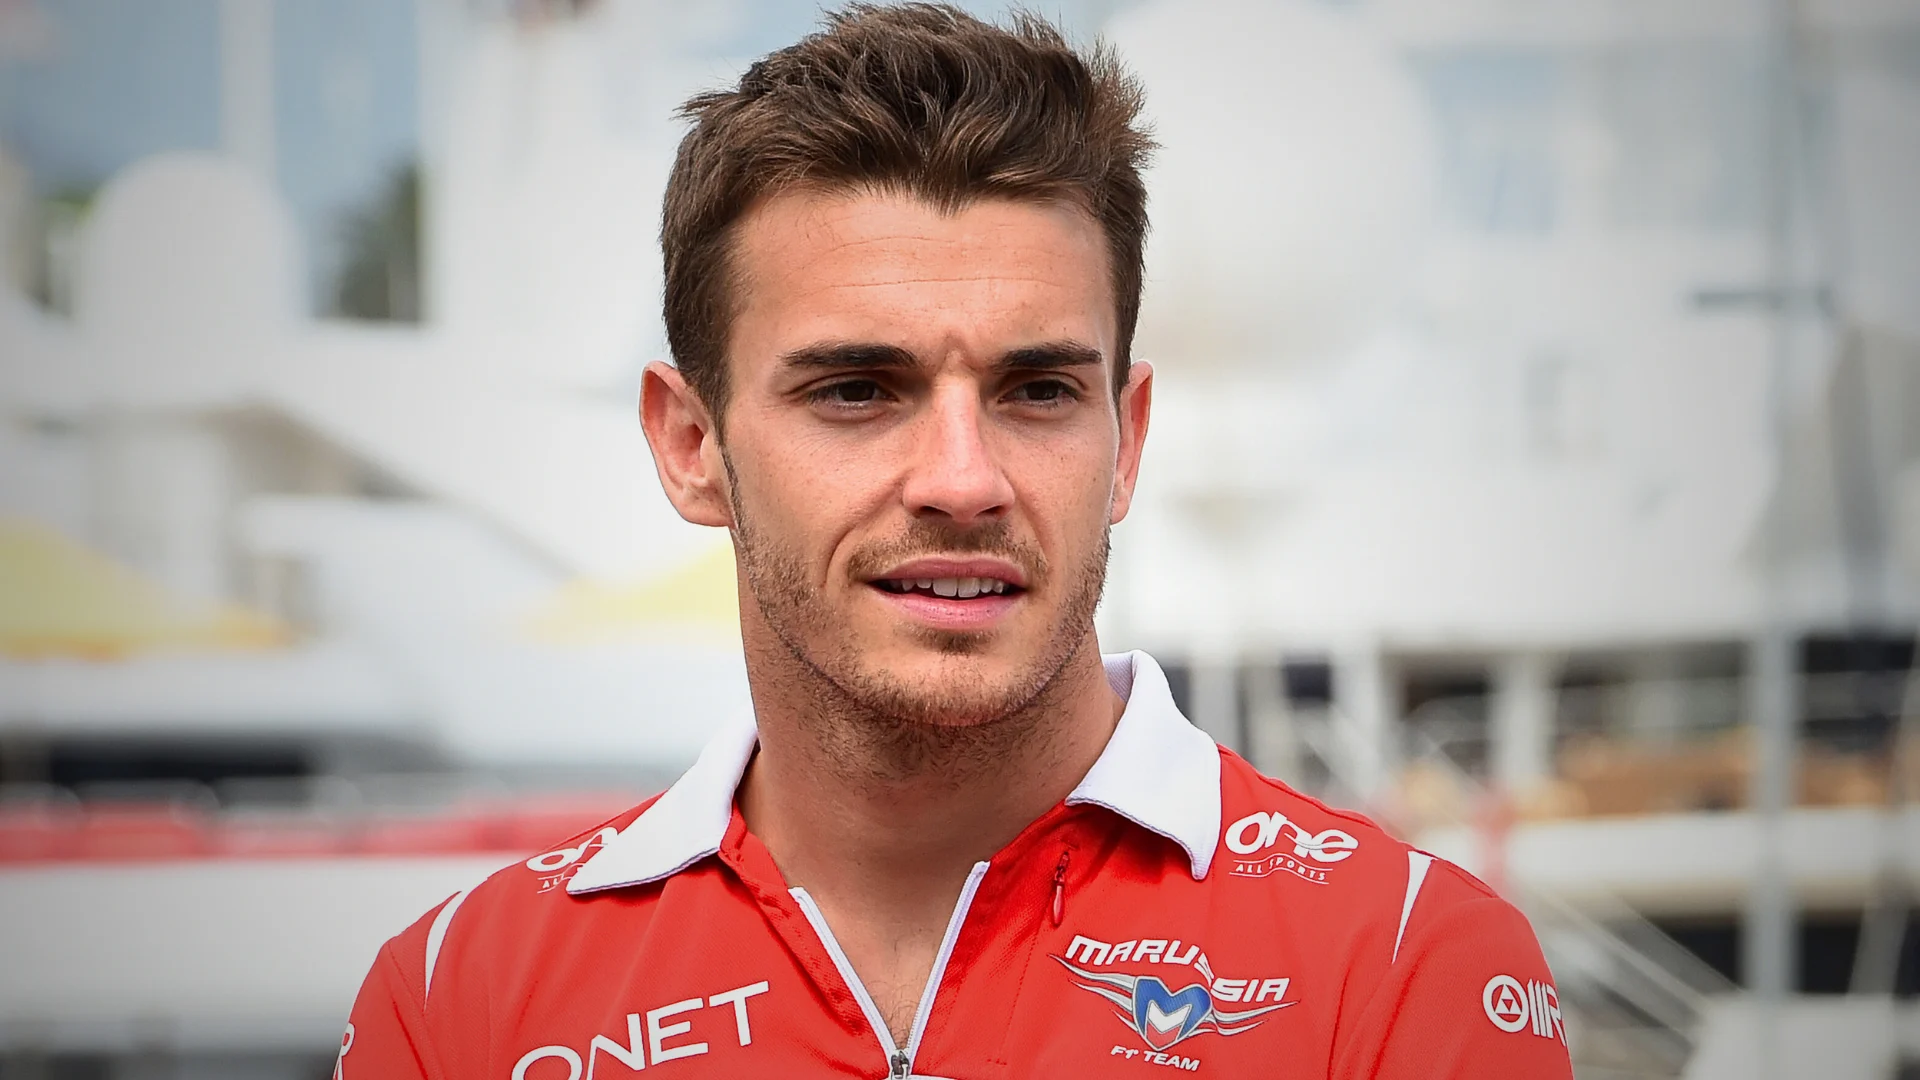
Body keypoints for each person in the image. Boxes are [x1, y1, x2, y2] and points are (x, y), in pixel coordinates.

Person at [341, 5, 1575, 1077]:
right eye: (855, 391)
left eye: (1037, 391)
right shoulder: (468, 1000)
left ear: (1127, 441)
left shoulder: (1400, 963)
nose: (963, 481)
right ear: (690, 445)